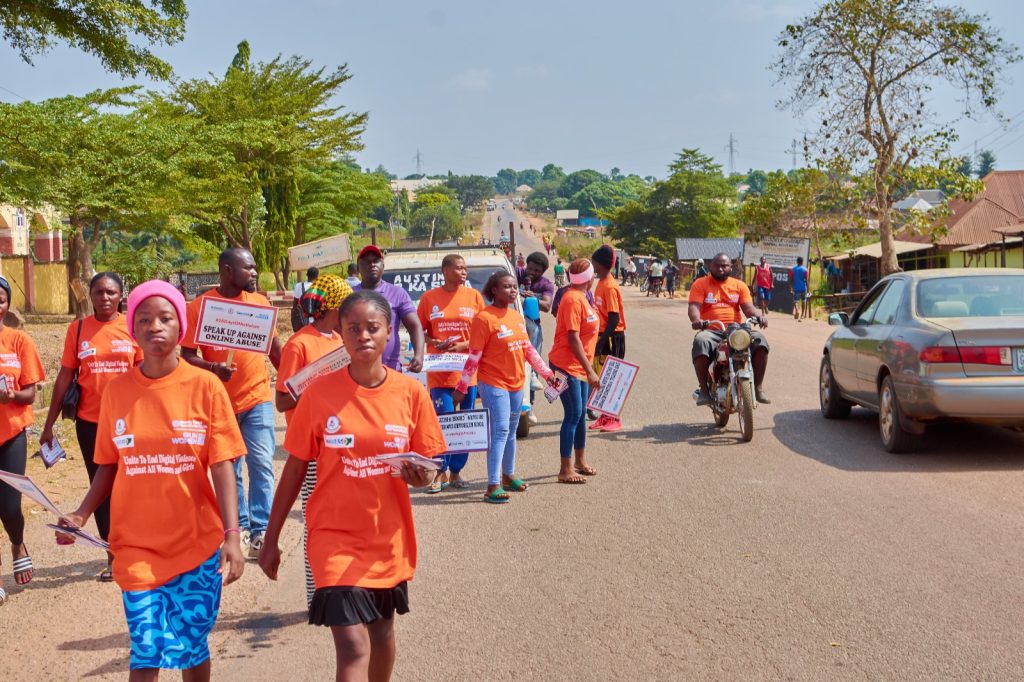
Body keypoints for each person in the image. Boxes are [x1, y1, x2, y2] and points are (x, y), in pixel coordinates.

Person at [59, 279, 245, 679]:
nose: (154, 326)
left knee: (192, 647)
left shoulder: (206, 387)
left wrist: (232, 535)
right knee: (146, 650)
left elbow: (222, 464)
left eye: (165, 318)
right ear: (132, 328)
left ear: (181, 326)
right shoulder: (117, 392)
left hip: (196, 545)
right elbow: (108, 464)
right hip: (136, 547)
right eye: (143, 319)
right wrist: (80, 514)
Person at [259, 290, 445, 681]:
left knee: (382, 632)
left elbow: (430, 466)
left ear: (389, 333)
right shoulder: (318, 394)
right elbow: (294, 469)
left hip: (386, 538)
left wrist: (422, 476)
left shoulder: (411, 393)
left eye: (372, 328)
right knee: (353, 646)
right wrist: (271, 538)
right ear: (340, 334)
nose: (363, 336)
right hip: (333, 539)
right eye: (353, 328)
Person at [40, 272, 142, 581]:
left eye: (111, 292)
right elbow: (64, 377)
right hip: (90, 424)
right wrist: (49, 424)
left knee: (132, 486)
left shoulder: (133, 327)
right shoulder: (78, 329)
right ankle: (113, 555)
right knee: (102, 491)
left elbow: (145, 372)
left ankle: (138, 547)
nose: (105, 297)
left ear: (121, 295)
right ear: (91, 295)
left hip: (130, 423)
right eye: (99, 292)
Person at [182, 247, 283, 559]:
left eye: (254, 267)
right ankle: (238, 529)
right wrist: (213, 368)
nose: (254, 272)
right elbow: (187, 355)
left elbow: (275, 350)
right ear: (227, 270)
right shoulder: (200, 308)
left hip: (257, 398)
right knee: (231, 469)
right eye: (248, 268)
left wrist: (293, 385)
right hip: (219, 404)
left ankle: (261, 530)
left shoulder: (260, 304)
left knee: (261, 463)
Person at [275, 274, 352, 608]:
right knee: (317, 524)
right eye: (346, 303)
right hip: (310, 449)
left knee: (343, 520)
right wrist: (315, 387)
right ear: (333, 306)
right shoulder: (299, 344)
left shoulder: (339, 341)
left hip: (339, 445)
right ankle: (316, 598)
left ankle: (342, 588)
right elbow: (282, 400)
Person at [453, 271, 556, 504]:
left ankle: (508, 475)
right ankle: (493, 485)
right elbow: (474, 356)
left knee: (511, 429)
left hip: (516, 382)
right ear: (494, 291)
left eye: (514, 286)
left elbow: (528, 349)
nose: (512, 290)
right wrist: (462, 387)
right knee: (500, 430)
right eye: (507, 287)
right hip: (493, 383)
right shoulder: (483, 319)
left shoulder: (516, 317)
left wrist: (547, 374)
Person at [417, 255, 485, 492]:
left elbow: (483, 332)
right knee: (442, 422)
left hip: (467, 373)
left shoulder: (474, 297)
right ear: (445, 271)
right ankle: (440, 471)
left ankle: (456, 470)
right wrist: (433, 341)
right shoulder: (429, 298)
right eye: (459, 268)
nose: (464, 272)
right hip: (439, 373)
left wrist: (463, 345)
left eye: (466, 268)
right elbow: (418, 330)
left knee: (464, 424)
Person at [0, 275, 44, 603]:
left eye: (0, 299)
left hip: (11, 433)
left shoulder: (19, 341)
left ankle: (17, 542)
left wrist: (11, 395)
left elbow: (30, 393)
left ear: (7, 304)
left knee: (10, 506)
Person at [688, 253, 771, 406]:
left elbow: (749, 308)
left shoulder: (739, 285)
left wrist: (759, 316)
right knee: (700, 341)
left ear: (730, 267)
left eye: (724, 266)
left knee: (760, 341)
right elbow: (694, 307)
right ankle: (704, 391)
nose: (720, 269)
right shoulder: (700, 284)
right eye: (717, 265)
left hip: (735, 330)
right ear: (710, 266)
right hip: (712, 330)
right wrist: (696, 320)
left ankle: (758, 388)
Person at [548, 259, 602, 484]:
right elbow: (573, 337)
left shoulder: (583, 297)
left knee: (580, 415)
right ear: (590, 278)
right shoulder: (571, 299)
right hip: (566, 366)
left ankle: (580, 461)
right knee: (573, 414)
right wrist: (591, 371)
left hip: (579, 366)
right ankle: (565, 469)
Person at [354, 245, 424, 373]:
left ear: (383, 266)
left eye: (376, 261)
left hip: (392, 371)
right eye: (366, 262)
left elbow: (414, 326)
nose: (372, 265)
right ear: (358, 268)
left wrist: (419, 355)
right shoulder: (349, 295)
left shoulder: (397, 293)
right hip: (358, 373)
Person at [590, 246, 626, 433]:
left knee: (612, 376)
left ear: (600, 264)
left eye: (594, 263)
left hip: (612, 337)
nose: (592, 266)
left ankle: (615, 418)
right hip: (603, 335)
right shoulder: (601, 282)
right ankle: (605, 416)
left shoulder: (610, 286)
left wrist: (602, 341)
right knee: (602, 377)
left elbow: (614, 318)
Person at [519, 251, 556, 423]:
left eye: (537, 271)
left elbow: (547, 305)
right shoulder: (517, 274)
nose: (532, 273)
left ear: (543, 272)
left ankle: (530, 407)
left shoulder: (546, 284)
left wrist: (533, 297)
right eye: (530, 268)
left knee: (532, 368)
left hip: (532, 327)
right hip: (513, 325)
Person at [292, 266, 319, 332]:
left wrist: (294, 318)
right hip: (315, 321)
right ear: (317, 277)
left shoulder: (298, 286)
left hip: (301, 320)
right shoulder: (319, 288)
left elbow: (295, 304)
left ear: (307, 275)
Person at [791, 256, 810, 321]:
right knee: (803, 301)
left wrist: (791, 287)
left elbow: (791, 279)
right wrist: (808, 289)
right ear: (802, 262)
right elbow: (806, 280)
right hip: (803, 288)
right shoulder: (805, 270)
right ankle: (802, 314)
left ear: (797, 262)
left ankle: (797, 310)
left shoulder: (793, 269)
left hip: (796, 287)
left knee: (795, 301)